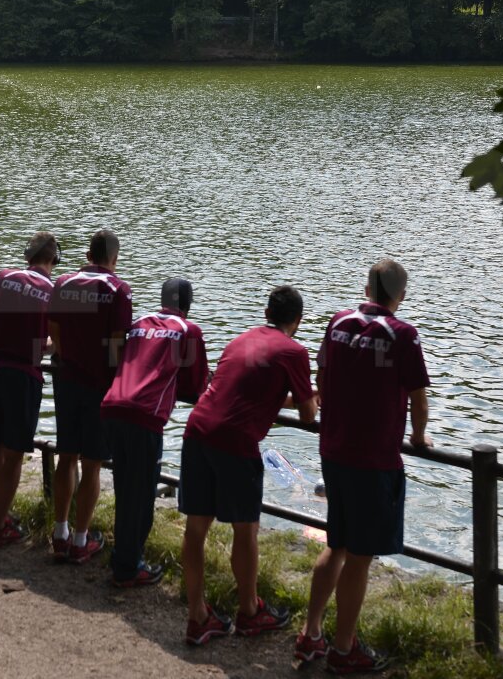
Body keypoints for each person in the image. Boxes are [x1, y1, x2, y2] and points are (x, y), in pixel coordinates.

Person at [296, 259, 431, 674]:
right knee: (359, 556)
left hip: (333, 450)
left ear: (367, 288)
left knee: (336, 543)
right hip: (373, 459)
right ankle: (343, 647)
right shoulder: (403, 334)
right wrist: (419, 437)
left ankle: (311, 633)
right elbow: (418, 398)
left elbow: (322, 371)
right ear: (400, 294)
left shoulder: (338, 322)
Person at [180, 285, 316, 645]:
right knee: (245, 530)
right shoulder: (294, 351)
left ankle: (198, 616)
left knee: (195, 529)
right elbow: (309, 413)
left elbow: (243, 389)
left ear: (267, 313)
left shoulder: (239, 341)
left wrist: (279, 401)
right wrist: (313, 397)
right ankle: (250, 612)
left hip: (197, 430)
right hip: (235, 443)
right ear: (297, 321)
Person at [102, 277, 209, 587]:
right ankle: (128, 567)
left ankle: (121, 555)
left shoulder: (138, 323)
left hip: (111, 408)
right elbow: (195, 385)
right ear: (188, 304)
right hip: (143, 416)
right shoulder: (188, 331)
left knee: (125, 489)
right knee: (140, 495)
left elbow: (115, 357)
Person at [46, 229, 133, 563]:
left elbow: (52, 329)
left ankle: (59, 532)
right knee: (92, 464)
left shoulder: (64, 282)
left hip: (65, 378)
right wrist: (114, 382)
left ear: (88, 253)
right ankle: (81, 540)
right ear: (114, 257)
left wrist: (69, 358)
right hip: (98, 385)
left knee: (66, 454)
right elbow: (115, 343)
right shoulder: (118, 289)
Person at [0, 232, 60, 546]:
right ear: (54, 259)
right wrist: (50, 346)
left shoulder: (3, 277)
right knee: (14, 455)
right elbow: (54, 343)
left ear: (27, 255)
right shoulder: (53, 290)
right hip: (23, 376)